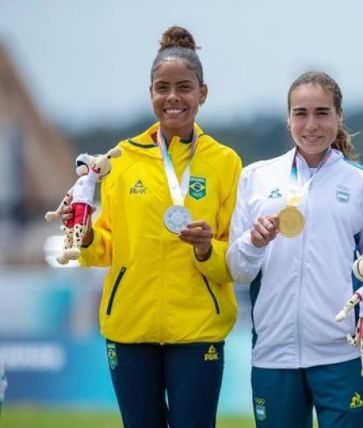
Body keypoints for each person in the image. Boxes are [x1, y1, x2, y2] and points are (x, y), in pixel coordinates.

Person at [71, 26, 242, 427]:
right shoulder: (120, 159)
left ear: (203, 92)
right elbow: (105, 246)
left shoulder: (226, 162)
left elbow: (237, 256)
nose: (172, 98)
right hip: (130, 326)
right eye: (162, 88)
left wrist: (206, 249)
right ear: (150, 92)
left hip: (199, 327)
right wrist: (87, 234)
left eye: (184, 87)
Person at [226, 71, 363, 428]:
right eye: (301, 113)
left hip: (344, 354)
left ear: (338, 116)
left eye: (322, 113)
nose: (311, 124)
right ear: (288, 119)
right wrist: (254, 242)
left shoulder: (362, 183)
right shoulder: (256, 178)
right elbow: (237, 271)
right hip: (273, 353)